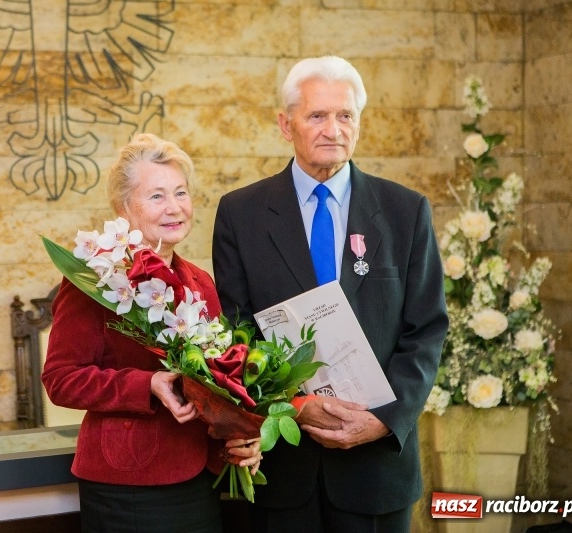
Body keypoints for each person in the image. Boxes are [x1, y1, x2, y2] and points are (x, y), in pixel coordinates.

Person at [212, 56, 449, 532]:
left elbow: (426, 330)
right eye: (317, 116)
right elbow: (235, 332)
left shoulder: (405, 212)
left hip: (376, 469)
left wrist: (384, 419)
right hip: (280, 470)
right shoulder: (241, 214)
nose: (333, 130)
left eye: (345, 116)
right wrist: (294, 406)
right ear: (286, 124)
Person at [42, 133, 261, 533]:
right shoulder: (96, 281)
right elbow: (61, 380)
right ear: (123, 208)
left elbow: (217, 379)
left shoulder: (202, 282)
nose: (175, 207)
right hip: (127, 485)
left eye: (181, 192)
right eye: (157, 196)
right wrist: (149, 385)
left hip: (201, 478)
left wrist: (242, 432)